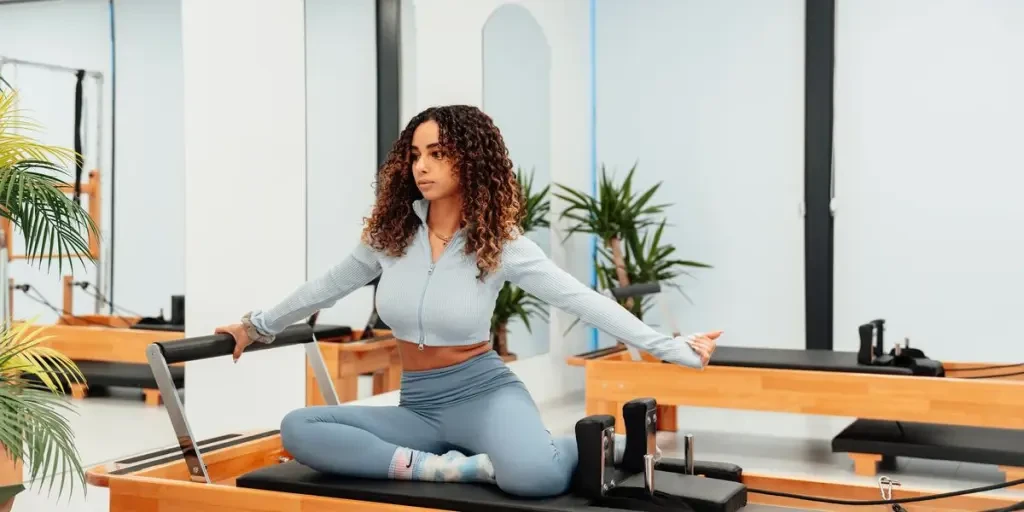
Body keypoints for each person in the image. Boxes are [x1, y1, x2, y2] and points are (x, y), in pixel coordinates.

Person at [215, 105, 722, 498]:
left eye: (437, 153)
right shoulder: (391, 237)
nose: (422, 165)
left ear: (471, 158)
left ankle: (608, 444)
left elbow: (581, 298)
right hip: (417, 405)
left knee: (535, 478)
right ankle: (456, 468)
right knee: (300, 429)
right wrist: (254, 325)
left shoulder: (498, 243)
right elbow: (325, 286)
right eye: (415, 154)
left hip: (483, 394)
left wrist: (669, 346)